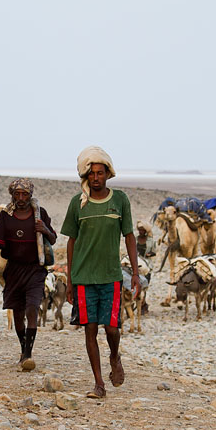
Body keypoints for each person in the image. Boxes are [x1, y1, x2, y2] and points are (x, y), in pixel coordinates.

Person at [61, 146, 141, 398]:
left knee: (112, 329)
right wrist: (70, 279)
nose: (96, 177)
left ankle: (115, 357)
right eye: (92, 173)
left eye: (100, 173)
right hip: (84, 277)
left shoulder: (120, 201)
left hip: (111, 277)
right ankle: (99, 383)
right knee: (90, 329)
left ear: (108, 174)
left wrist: (136, 273)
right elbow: (71, 241)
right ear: (86, 176)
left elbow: (129, 237)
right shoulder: (78, 204)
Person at [0, 178, 57, 371]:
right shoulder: (5, 215)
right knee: (17, 311)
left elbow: (53, 238)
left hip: (35, 269)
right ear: (12, 195)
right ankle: (22, 347)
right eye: (17, 194)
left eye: (24, 194)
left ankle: (28, 354)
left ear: (30, 195)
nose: (20, 198)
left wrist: (44, 229)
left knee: (32, 307)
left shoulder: (39, 213)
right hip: (14, 269)